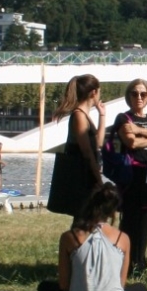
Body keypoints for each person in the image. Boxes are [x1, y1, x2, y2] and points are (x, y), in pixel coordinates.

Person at [38, 183, 147, 291]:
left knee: (45, 288)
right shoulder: (123, 239)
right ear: (113, 211)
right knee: (141, 289)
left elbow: (64, 285)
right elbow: (121, 283)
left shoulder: (70, 237)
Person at [107, 79, 147, 278]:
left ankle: (140, 260)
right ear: (128, 96)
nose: (138, 97)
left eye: (143, 94)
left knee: (146, 219)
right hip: (132, 175)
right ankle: (126, 262)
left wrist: (140, 131)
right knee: (130, 219)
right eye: (134, 94)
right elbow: (131, 142)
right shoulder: (123, 118)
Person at [46, 74, 103, 219]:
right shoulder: (79, 116)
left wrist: (102, 115)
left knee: (86, 218)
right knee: (82, 219)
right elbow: (87, 152)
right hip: (81, 176)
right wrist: (99, 178)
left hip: (85, 174)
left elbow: (98, 143)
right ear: (94, 92)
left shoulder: (84, 115)